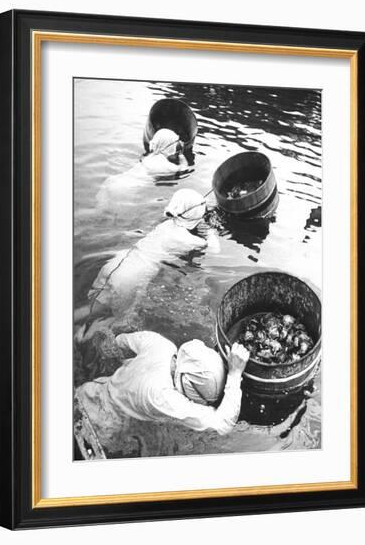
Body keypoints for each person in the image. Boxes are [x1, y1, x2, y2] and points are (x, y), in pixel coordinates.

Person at [74, 188, 220, 332]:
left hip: (118, 262)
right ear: (196, 215)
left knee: (94, 306)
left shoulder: (165, 225)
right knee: (121, 320)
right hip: (132, 276)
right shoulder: (188, 239)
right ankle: (83, 336)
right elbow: (214, 249)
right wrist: (209, 231)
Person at [75, 331, 250, 443]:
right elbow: (223, 425)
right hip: (100, 426)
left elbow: (118, 343)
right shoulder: (163, 396)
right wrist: (235, 375)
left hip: (90, 390)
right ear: (186, 384)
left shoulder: (159, 343)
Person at [96, 128, 188, 212]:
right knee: (118, 219)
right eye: (175, 143)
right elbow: (184, 168)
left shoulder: (149, 157)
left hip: (113, 181)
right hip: (127, 189)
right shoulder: (165, 165)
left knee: (100, 211)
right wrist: (181, 155)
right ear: (169, 146)